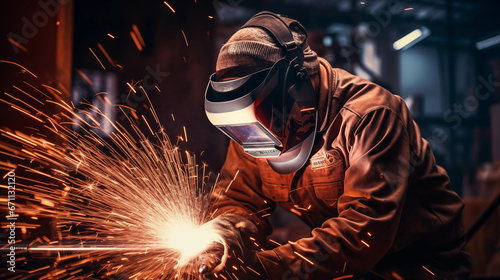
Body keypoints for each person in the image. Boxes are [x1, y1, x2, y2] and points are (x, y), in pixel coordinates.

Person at [199, 11, 471, 280]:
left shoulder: (371, 115)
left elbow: (363, 231)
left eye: (261, 120)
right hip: (348, 267)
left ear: (296, 86)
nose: (251, 137)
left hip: (420, 266)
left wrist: (263, 269)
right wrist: (223, 236)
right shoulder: (251, 129)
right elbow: (240, 200)